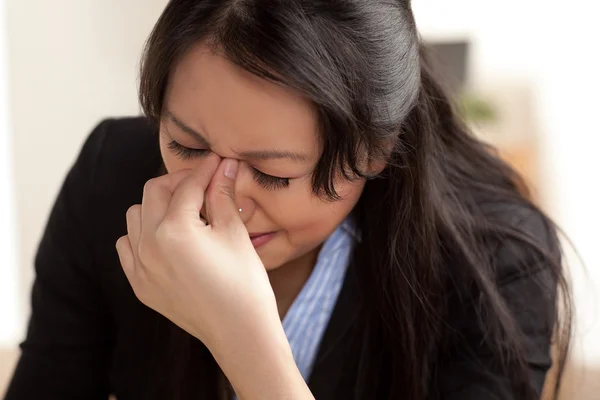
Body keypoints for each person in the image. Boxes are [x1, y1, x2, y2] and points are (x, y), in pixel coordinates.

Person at [4, 1, 572, 399]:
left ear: (375, 151)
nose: (217, 200)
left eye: (273, 173)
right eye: (184, 144)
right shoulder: (113, 177)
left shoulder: (499, 261)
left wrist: (247, 347)